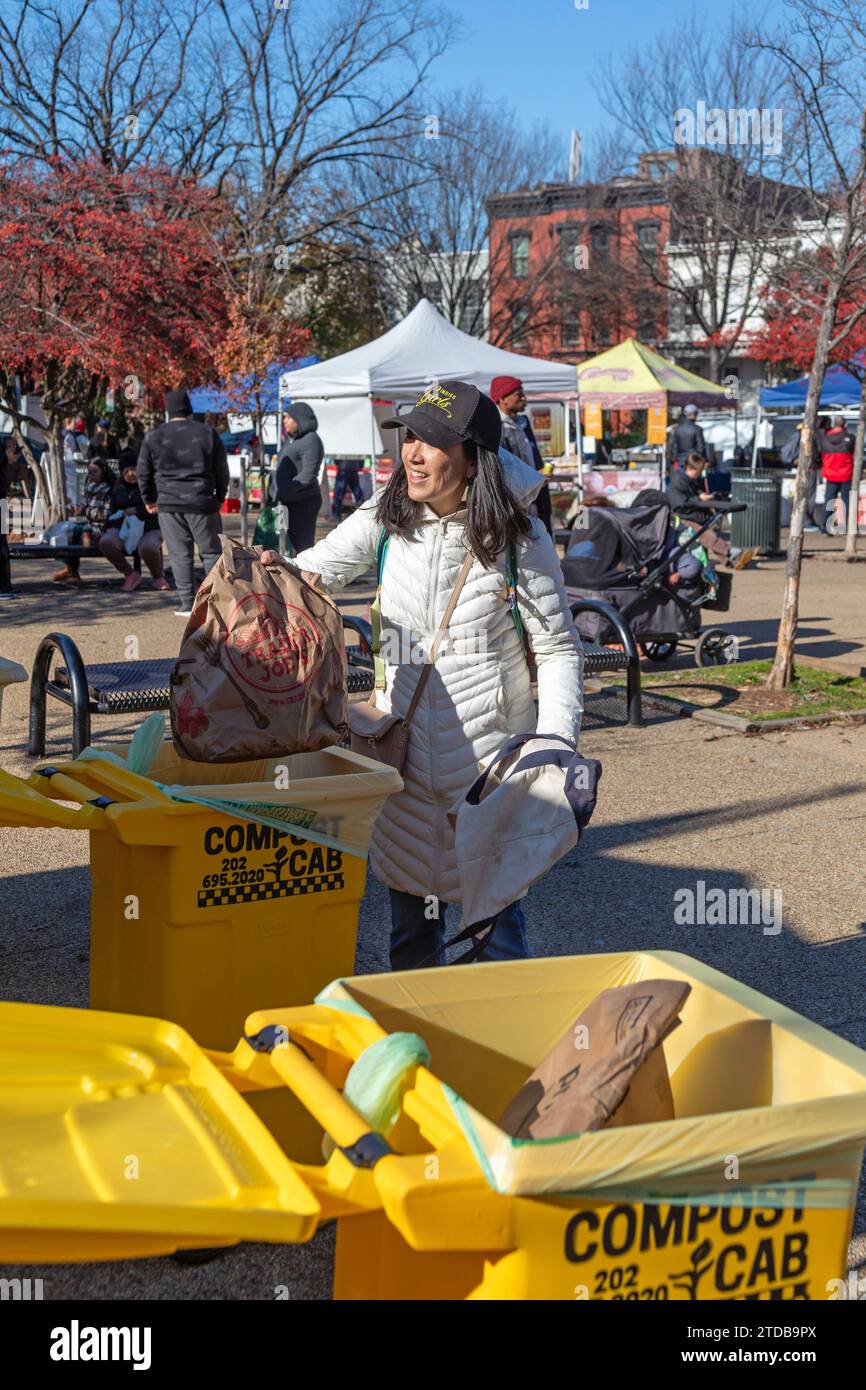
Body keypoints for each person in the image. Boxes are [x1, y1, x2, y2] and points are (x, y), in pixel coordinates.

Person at [261, 379, 583, 970]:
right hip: (401, 757)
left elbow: (559, 648)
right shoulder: (387, 516)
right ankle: (416, 1049)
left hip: (489, 770)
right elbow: (315, 571)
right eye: (409, 436)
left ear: (471, 458)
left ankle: (504, 1052)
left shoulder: (518, 537)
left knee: (497, 936)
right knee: (411, 932)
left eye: (432, 442)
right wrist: (268, 571)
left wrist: (555, 745)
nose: (412, 452)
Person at [137, 388, 228, 616]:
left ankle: (188, 604)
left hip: (169, 503)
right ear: (189, 408)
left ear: (168, 410)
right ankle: (214, 602)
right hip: (202, 501)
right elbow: (221, 470)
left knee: (180, 555)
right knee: (211, 553)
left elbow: (143, 472)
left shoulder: (154, 435)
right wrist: (220, 497)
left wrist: (149, 499)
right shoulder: (208, 433)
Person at [666, 452, 755, 570]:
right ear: (689, 468)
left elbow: (692, 494)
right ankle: (732, 552)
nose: (698, 475)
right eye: (697, 472)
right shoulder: (678, 482)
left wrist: (701, 494)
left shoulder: (688, 479)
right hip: (681, 517)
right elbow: (680, 504)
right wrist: (699, 498)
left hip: (690, 515)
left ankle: (731, 561)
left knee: (707, 536)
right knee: (705, 534)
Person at [490, 375, 553, 537]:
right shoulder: (495, 424)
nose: (524, 398)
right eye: (519, 394)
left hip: (535, 491)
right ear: (502, 398)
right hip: (513, 495)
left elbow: (533, 454)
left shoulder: (523, 421)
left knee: (541, 534)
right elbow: (502, 464)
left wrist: (540, 471)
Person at [99, 452, 170, 592]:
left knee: (147, 547)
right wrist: (106, 525)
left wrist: (138, 510)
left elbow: (160, 506)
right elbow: (111, 511)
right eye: (126, 471)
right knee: (106, 542)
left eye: (134, 469)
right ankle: (130, 574)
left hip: (150, 526)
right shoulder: (117, 487)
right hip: (122, 528)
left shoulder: (152, 484)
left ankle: (158, 577)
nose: (131, 474)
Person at [53, 458, 116, 583]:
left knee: (70, 534)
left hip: (102, 530)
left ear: (103, 472)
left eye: (94, 472)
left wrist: (86, 511)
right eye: (89, 471)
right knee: (60, 531)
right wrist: (76, 509)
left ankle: (71, 569)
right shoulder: (90, 487)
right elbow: (84, 507)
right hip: (89, 526)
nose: (90, 475)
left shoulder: (109, 490)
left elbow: (107, 514)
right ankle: (70, 568)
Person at [275, 403, 324, 551]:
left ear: (300, 419)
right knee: (291, 546)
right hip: (289, 501)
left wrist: (287, 490)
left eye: (288, 418)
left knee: (303, 547)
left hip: (303, 502)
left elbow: (308, 473)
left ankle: (308, 574)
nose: (284, 421)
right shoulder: (293, 439)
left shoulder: (311, 439)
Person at [781, 416, 828, 532]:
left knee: (808, 494)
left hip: (811, 468)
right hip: (806, 469)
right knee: (806, 495)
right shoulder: (800, 436)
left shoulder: (807, 435)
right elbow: (786, 453)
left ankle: (806, 520)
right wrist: (795, 461)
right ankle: (805, 521)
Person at [816, 414, 856, 534]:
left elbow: (820, 451)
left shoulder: (825, 438)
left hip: (831, 475)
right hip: (846, 475)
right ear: (845, 425)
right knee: (847, 501)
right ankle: (847, 527)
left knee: (829, 500)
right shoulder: (851, 437)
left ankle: (826, 528)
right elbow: (854, 452)